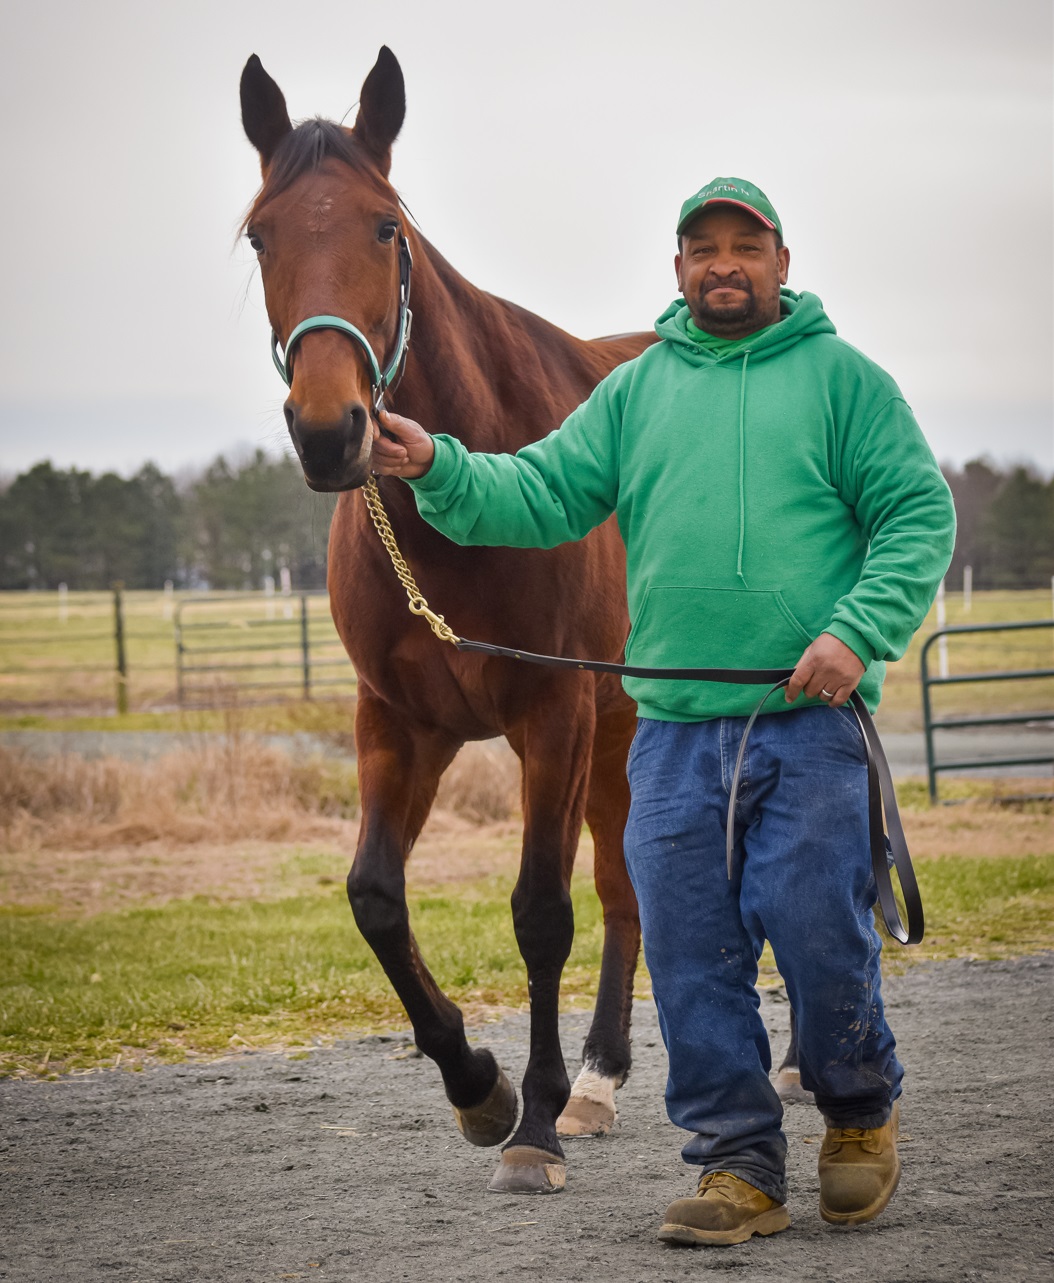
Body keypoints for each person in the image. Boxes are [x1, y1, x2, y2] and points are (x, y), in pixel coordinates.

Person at [370, 177, 955, 1245]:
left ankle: (859, 1110)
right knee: (687, 956)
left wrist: (857, 629)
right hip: (676, 730)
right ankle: (737, 1163)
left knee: (820, 929)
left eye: (744, 245)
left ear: (780, 262)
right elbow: (539, 492)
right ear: (677, 268)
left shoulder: (844, 382)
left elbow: (918, 512)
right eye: (701, 248)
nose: (721, 263)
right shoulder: (637, 394)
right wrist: (437, 467)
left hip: (807, 720)